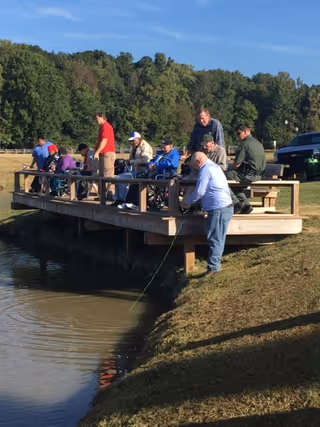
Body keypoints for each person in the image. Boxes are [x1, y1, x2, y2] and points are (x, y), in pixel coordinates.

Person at [181, 152, 233, 276]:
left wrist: (188, 202)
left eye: (194, 165)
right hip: (221, 207)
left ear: (198, 162)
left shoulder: (205, 170)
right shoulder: (214, 166)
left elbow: (200, 191)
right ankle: (213, 266)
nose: (195, 168)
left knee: (215, 238)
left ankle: (214, 268)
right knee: (216, 237)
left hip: (219, 208)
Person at [225, 123, 266, 214]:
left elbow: (237, 164)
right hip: (259, 175)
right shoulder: (258, 143)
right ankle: (246, 205)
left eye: (238, 133)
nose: (237, 137)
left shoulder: (244, 144)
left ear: (245, 132)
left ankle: (236, 203)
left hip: (248, 175)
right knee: (234, 184)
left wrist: (228, 170)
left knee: (223, 178)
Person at [113, 132, 153, 206]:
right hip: (135, 170)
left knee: (121, 178)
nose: (132, 142)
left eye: (133, 140)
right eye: (131, 141)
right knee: (117, 177)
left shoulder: (145, 146)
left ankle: (123, 199)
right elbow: (131, 159)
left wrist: (131, 162)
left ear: (138, 139)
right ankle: (118, 199)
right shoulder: (134, 147)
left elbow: (146, 160)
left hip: (144, 171)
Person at [94, 113, 115, 200]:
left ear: (102, 117)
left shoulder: (106, 126)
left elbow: (104, 141)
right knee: (101, 175)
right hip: (102, 154)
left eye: (97, 118)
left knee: (108, 174)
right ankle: (102, 196)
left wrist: (97, 152)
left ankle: (110, 194)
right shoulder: (101, 127)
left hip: (107, 153)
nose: (96, 120)